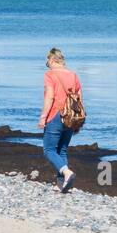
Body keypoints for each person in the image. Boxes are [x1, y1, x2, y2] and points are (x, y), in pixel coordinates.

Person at [38, 47, 81, 193]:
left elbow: (50, 97)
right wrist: (78, 121)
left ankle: (66, 172)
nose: (47, 64)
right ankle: (62, 185)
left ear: (51, 59)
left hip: (55, 114)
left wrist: (43, 117)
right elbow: (79, 99)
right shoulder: (73, 75)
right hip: (70, 116)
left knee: (49, 150)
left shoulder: (50, 75)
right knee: (62, 149)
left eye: (47, 61)